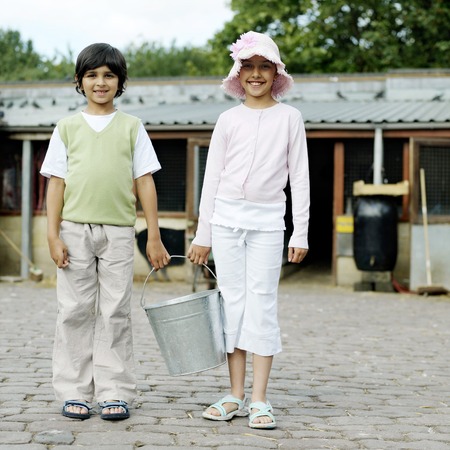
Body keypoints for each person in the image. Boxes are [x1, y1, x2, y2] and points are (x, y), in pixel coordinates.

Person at [40, 43, 170, 421]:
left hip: (118, 233)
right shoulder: (66, 128)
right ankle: (74, 390)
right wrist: (52, 235)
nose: (101, 82)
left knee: (115, 311)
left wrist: (154, 234)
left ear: (120, 81)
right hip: (74, 230)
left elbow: (144, 181)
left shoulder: (132, 127)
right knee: (74, 311)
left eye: (109, 75)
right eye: (92, 75)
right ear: (80, 81)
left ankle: (115, 391)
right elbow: (56, 184)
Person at [187, 31, 310, 429]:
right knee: (232, 303)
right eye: (249, 67)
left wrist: (300, 231)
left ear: (276, 73)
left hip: (268, 223)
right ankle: (234, 395)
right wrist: (203, 233)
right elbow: (211, 179)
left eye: (264, 66)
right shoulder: (228, 120)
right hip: (225, 221)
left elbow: (300, 179)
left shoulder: (290, 118)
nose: (256, 74)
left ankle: (259, 399)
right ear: (238, 74)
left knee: (262, 303)